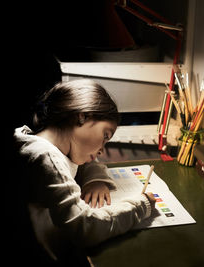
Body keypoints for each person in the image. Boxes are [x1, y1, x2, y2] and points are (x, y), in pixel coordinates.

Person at [12, 79, 156, 266]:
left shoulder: (39, 143)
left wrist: (94, 180)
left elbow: (84, 162)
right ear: (82, 117)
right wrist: (140, 206)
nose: (102, 150)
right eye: (105, 136)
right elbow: (84, 228)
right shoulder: (46, 158)